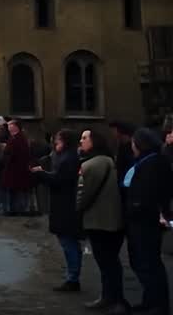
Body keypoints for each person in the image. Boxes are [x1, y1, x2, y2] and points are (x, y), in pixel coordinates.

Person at [76, 128, 126, 312]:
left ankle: (111, 298)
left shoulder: (90, 165)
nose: (81, 141)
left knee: (106, 263)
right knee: (112, 262)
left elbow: (83, 195)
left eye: (84, 138)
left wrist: (77, 210)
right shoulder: (109, 161)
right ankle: (114, 298)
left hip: (98, 221)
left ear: (94, 141)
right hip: (114, 220)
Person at [123, 127, 172, 315]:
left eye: (134, 142)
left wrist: (135, 208)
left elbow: (148, 194)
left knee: (150, 263)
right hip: (142, 220)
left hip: (146, 221)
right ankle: (150, 300)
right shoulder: (147, 161)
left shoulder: (153, 163)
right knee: (145, 262)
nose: (132, 146)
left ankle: (158, 305)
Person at [31, 130, 82, 292]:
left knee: (69, 243)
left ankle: (73, 278)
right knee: (68, 242)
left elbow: (59, 180)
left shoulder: (69, 159)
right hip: (63, 205)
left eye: (58, 140)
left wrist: (41, 174)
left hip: (65, 207)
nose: (55, 143)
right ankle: (72, 276)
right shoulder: (66, 157)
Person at [0, 119, 32, 216]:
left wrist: (6, 154)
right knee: (12, 190)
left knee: (17, 191)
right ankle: (13, 209)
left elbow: (17, 154)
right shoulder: (13, 138)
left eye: (10, 125)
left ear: (15, 127)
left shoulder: (19, 139)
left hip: (16, 170)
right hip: (12, 169)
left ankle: (17, 209)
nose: (8, 127)